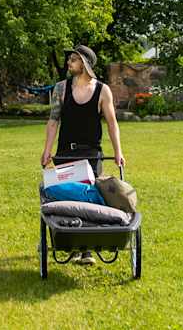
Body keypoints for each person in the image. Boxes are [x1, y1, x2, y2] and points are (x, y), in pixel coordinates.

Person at [40, 44, 125, 264]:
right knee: (68, 196)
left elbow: (112, 124)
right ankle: (71, 245)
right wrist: (47, 151)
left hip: (92, 153)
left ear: (85, 63)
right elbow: (53, 122)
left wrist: (118, 152)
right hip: (66, 152)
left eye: (74, 60)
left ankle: (87, 250)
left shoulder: (102, 90)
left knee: (89, 199)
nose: (69, 63)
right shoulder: (61, 88)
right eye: (69, 60)